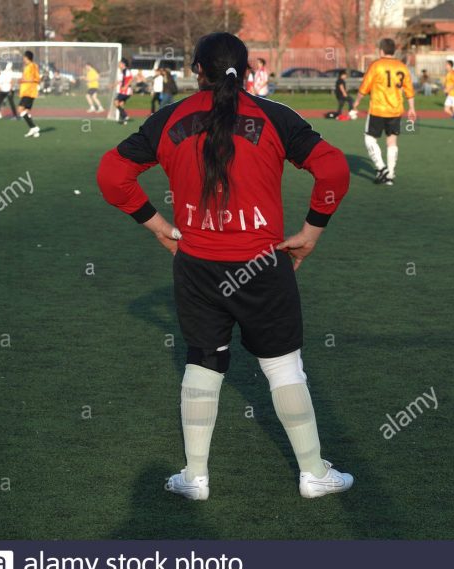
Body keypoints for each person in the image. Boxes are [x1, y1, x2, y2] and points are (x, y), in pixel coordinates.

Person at [97, 32, 353, 501]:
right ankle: (314, 474)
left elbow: (112, 175)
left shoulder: (169, 117)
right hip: (263, 265)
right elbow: (334, 170)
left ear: (197, 71)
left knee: (204, 363)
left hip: (196, 266)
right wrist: (312, 232)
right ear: (250, 70)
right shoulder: (276, 116)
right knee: (282, 367)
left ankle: (196, 478)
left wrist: (157, 225)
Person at [351, 38, 416, 186]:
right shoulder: (402, 67)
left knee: (369, 139)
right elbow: (409, 90)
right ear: (394, 51)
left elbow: (364, 86)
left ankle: (381, 168)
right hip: (395, 110)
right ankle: (390, 175)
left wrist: (357, 102)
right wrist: (412, 108)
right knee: (392, 141)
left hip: (378, 110)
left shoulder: (376, 65)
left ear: (381, 50)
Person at [18, 51, 41, 138]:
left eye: (24, 57)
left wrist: (22, 80)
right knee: (26, 111)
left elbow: (32, 79)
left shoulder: (31, 66)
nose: (23, 59)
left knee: (20, 109)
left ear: (27, 57)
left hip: (28, 91)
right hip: (30, 91)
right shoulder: (33, 66)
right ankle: (35, 132)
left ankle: (33, 127)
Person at [114, 57, 133, 125]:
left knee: (115, 102)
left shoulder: (126, 70)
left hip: (126, 91)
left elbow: (131, 79)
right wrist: (113, 85)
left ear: (123, 64)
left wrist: (126, 86)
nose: (118, 64)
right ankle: (124, 120)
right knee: (121, 104)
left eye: (119, 63)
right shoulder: (122, 71)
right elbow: (121, 81)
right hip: (124, 91)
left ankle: (125, 116)